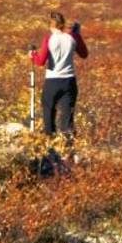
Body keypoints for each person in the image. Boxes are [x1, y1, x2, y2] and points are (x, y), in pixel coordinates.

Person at [32, 11, 88, 149]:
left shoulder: (49, 39)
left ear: (50, 25)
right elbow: (84, 54)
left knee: (49, 114)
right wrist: (77, 34)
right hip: (69, 81)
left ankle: (50, 148)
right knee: (67, 119)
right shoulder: (72, 37)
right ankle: (68, 149)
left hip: (52, 82)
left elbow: (40, 62)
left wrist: (32, 54)